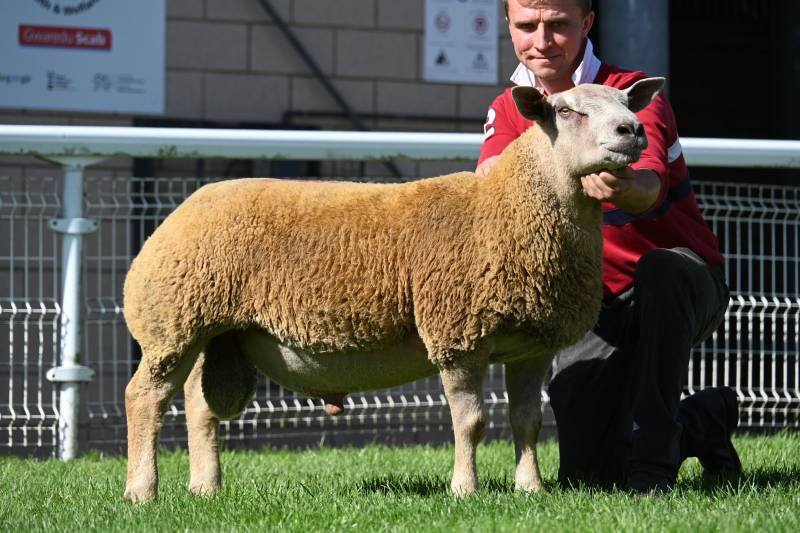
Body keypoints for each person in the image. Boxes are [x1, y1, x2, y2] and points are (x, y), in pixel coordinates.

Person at [478, 0, 742, 492]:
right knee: (590, 474)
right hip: (593, 305)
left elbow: (649, 184)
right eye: (527, 25)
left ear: (587, 23)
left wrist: (623, 188)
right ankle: (702, 420)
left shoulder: (630, 93)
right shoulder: (513, 108)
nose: (541, 41)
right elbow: (490, 187)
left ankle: (655, 463)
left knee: (661, 270)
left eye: (557, 24)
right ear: (509, 26)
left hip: (682, 283)